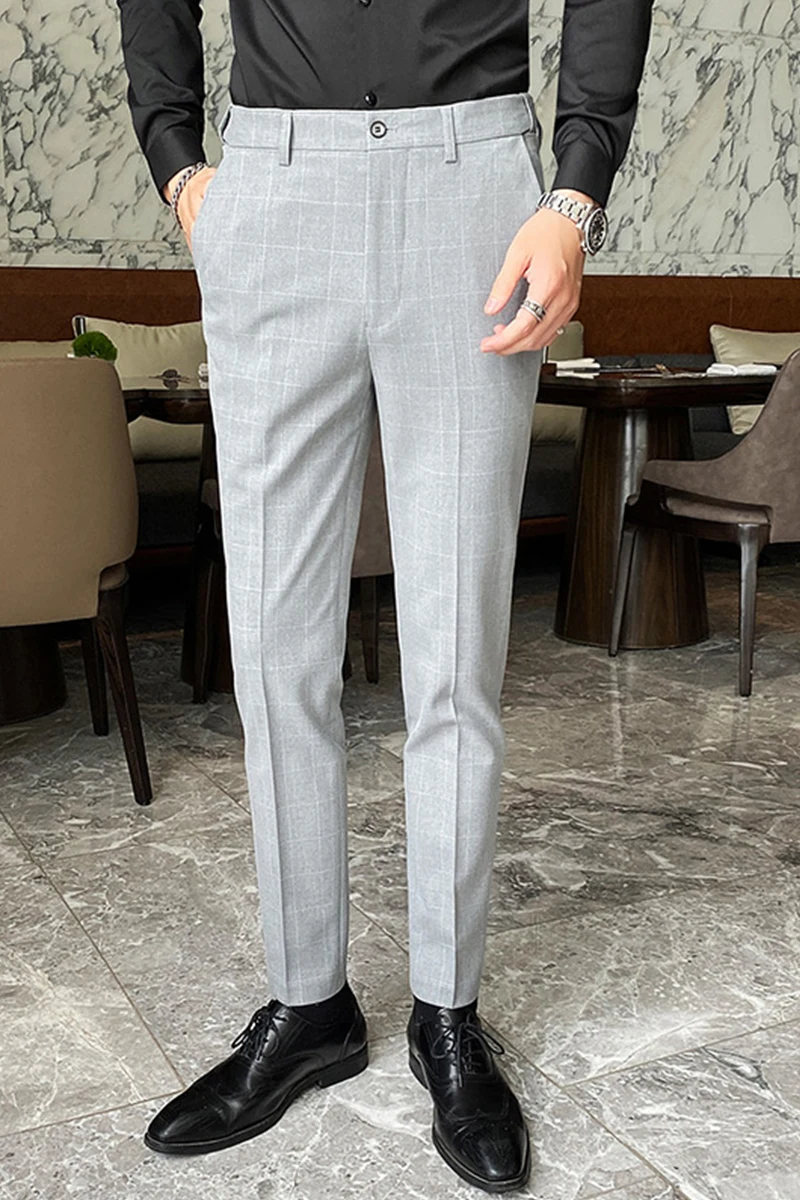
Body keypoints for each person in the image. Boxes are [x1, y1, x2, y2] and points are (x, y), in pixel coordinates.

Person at [117, 0, 652, 1190]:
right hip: (272, 187)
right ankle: (307, 1005)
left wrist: (573, 192)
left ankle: (446, 1015)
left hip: (472, 191)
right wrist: (177, 159)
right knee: (274, 650)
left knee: (454, 657)